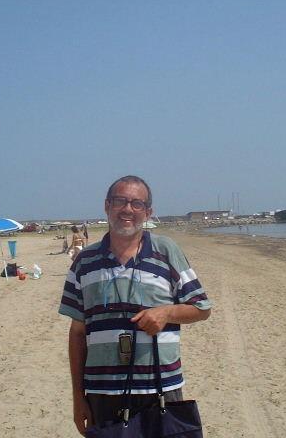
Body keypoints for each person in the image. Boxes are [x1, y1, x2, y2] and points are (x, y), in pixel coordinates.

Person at [58, 175, 211, 435]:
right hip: (102, 392)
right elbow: (77, 333)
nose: (128, 209)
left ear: (148, 212)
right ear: (107, 206)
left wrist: (167, 312)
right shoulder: (84, 261)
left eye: (137, 204)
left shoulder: (166, 250)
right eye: (120, 201)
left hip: (160, 389)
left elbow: (202, 308)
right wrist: (77, 397)